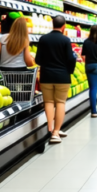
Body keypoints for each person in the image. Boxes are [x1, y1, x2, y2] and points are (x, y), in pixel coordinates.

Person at [35, 15, 77, 143]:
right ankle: (56, 132)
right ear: (64, 26)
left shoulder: (43, 39)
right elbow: (70, 58)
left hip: (46, 76)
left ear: (52, 24)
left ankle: (50, 128)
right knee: (60, 103)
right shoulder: (65, 40)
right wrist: (69, 71)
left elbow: (38, 60)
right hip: (62, 76)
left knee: (48, 102)